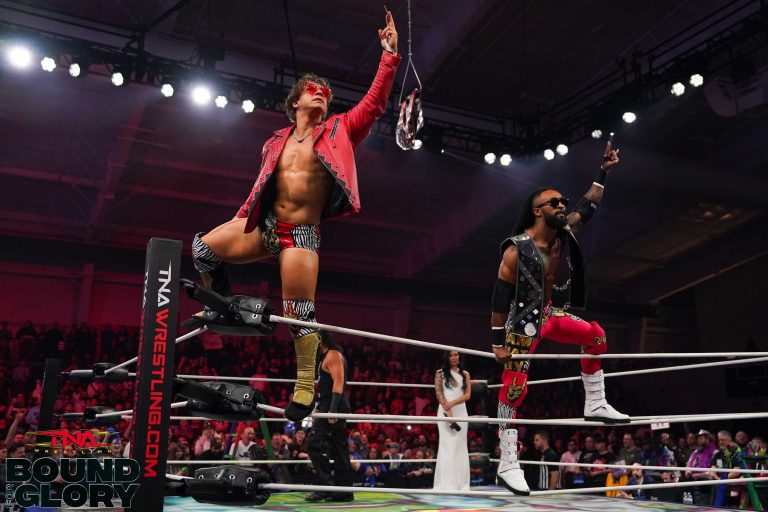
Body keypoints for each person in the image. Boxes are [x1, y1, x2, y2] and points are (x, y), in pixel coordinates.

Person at [187, 10, 401, 422]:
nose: (321, 95)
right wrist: (240, 220)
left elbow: (375, 104)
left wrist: (388, 56)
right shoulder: (274, 142)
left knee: (300, 314)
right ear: (296, 101)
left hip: (301, 233)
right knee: (203, 248)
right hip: (265, 225)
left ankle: (304, 385)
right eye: (312, 90)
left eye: (326, 93)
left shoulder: (340, 129)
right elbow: (259, 190)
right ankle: (221, 305)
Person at [490, 142, 629, 494]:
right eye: (554, 202)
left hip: (550, 313)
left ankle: (594, 401)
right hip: (521, 324)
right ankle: (508, 462)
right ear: (537, 211)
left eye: (562, 202)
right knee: (513, 390)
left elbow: (588, 206)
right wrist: (497, 343)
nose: (562, 206)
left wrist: (603, 171)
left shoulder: (562, 234)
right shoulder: (516, 249)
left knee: (595, 335)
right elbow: (500, 296)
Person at [306, 331, 354, 502]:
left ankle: (326, 487)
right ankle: (343, 492)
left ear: (320, 340)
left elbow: (338, 382)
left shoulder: (333, 354)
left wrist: (332, 410)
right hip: (328, 406)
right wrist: (320, 407)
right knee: (337, 449)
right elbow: (326, 386)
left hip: (333, 407)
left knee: (314, 444)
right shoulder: (326, 356)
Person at [433, 350, 471, 490]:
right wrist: (448, 410)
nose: (455, 357)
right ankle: (446, 483)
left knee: (460, 446)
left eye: (456, 355)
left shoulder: (465, 374)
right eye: (451, 355)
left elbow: (467, 395)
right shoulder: (440, 373)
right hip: (444, 411)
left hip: (460, 411)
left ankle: (461, 483)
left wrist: (452, 404)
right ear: (446, 358)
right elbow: (439, 393)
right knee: (446, 445)